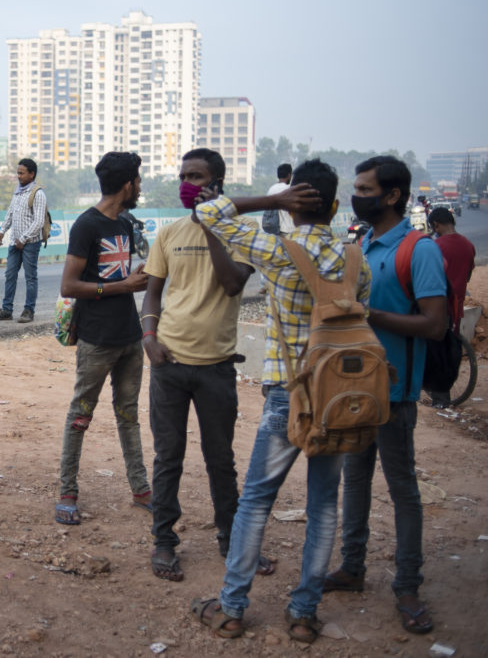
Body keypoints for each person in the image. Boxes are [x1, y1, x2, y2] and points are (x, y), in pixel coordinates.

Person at [189, 159, 371, 644]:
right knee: (324, 505)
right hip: (338, 398)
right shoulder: (356, 260)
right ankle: (303, 614)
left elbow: (210, 216)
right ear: (335, 205)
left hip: (288, 396)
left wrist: (271, 200)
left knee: (255, 501)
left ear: (294, 204)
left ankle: (230, 609)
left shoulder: (278, 250)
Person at [325, 156, 447, 636]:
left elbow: (434, 325)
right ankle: (352, 568)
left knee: (403, 491)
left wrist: (367, 312)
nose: (357, 195)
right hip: (355, 389)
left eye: (364, 188)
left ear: (392, 195)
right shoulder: (362, 243)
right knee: (354, 482)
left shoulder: (419, 250)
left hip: (395, 394)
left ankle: (407, 586)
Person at [141, 148, 273, 582]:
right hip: (169, 364)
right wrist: (148, 338)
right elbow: (153, 294)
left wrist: (213, 225)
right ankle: (164, 540)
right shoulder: (169, 233)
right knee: (168, 458)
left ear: (217, 184)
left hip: (216, 367)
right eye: (183, 175)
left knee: (220, 458)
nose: (187, 183)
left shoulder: (242, 232)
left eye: (196, 176)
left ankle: (230, 539)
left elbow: (234, 284)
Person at [55, 152, 151, 525]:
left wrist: (132, 279)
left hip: (130, 335)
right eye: (138, 181)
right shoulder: (86, 225)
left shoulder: (125, 225)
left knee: (129, 416)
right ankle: (67, 492)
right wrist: (123, 285)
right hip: (97, 339)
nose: (139, 188)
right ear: (127, 185)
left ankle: (141, 490)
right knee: (81, 415)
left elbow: (116, 276)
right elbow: (69, 285)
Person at [0, 158, 46, 324]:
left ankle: (29, 311)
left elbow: (39, 221)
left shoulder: (38, 193)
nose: (18, 176)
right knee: (10, 275)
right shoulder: (18, 191)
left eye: (22, 173)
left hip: (30, 243)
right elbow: (10, 213)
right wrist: (2, 231)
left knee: (30, 277)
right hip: (14, 242)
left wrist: (24, 238)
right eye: (18, 173)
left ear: (32, 174)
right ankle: (7, 310)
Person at [427, 206, 476, 407]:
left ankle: (440, 400)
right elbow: (468, 276)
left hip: (436, 305)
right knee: (447, 347)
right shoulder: (468, 245)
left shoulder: (435, 246)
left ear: (436, 225)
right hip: (456, 306)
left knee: (436, 350)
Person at [262, 163, 294, 235]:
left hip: (274, 229)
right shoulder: (289, 189)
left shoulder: (271, 189)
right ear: (289, 175)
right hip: (287, 229)